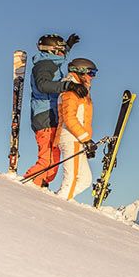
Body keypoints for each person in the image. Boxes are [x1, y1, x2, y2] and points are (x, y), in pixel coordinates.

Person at [24, 33, 83, 187]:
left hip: (49, 116)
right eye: (61, 49)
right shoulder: (44, 65)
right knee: (48, 160)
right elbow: (43, 85)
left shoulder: (49, 62)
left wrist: (69, 46)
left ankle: (39, 184)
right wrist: (67, 86)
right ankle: (26, 185)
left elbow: (59, 60)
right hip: (45, 116)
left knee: (52, 159)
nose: (63, 52)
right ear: (53, 50)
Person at [56, 58, 98, 200]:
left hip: (78, 139)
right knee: (71, 179)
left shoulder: (81, 90)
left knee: (85, 180)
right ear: (80, 72)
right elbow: (69, 118)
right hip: (70, 138)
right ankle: (57, 207)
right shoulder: (71, 91)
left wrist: (87, 142)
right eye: (91, 73)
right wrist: (86, 139)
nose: (92, 77)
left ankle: (61, 202)